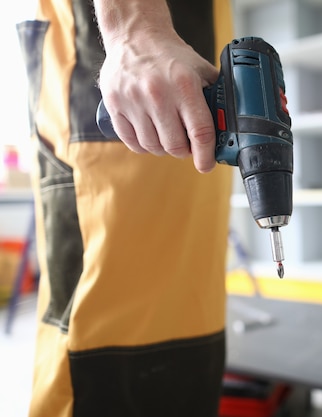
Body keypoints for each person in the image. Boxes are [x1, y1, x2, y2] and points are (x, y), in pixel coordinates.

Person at [17, 1, 234, 416]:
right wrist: (133, 27)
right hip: (120, 58)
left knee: (190, 331)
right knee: (102, 339)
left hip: (192, 63)